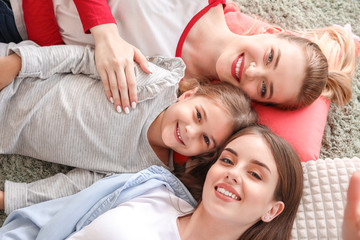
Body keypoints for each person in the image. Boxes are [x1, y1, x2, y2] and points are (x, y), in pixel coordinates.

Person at [0, 41, 257, 213]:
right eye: (198, 116)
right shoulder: (155, 83)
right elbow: (82, 59)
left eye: (206, 140)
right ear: (188, 96)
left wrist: (10, 199)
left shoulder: (145, 172)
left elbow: (78, 187)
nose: (190, 131)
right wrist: (17, 64)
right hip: (18, 72)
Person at [2, 0, 358, 112]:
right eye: (269, 58)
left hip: (16, 41)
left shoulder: (174, 92)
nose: (251, 71)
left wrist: (42, 45)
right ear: (272, 33)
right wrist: (106, 34)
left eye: (264, 88)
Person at [0, 125, 305, 240]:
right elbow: (46, 220)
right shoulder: (152, 188)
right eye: (227, 159)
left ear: (272, 210)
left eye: (255, 174)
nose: (233, 173)